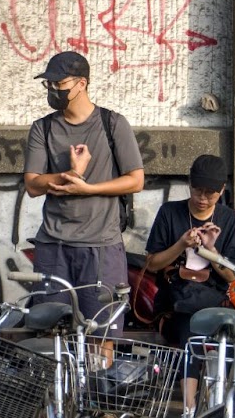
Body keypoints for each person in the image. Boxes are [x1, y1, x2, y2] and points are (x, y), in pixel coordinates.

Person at [24, 51, 145, 328]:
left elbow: (136, 180)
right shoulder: (43, 128)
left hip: (100, 247)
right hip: (54, 246)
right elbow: (32, 184)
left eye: (60, 84)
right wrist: (71, 175)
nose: (53, 90)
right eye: (49, 84)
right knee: (50, 331)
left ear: (82, 83)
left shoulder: (112, 124)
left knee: (101, 334)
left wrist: (88, 189)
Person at [143, 154, 235, 418]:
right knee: (191, 330)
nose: (202, 198)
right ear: (189, 183)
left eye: (210, 193)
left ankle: (234, 406)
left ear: (222, 190)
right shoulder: (170, 213)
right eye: (197, 190)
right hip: (176, 299)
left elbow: (232, 277)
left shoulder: (229, 219)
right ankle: (189, 411)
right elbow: (152, 264)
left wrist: (211, 249)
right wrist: (181, 245)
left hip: (214, 297)